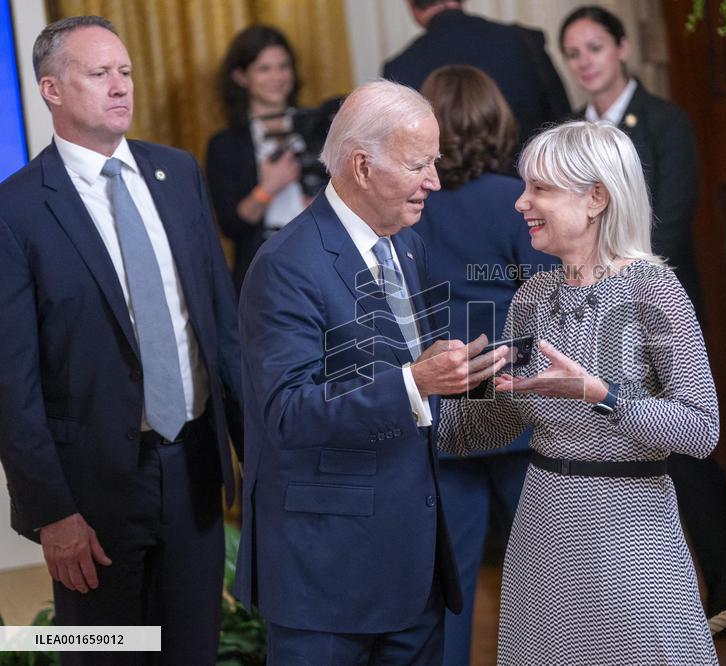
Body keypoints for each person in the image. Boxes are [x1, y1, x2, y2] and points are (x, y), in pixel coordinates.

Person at [234, 79, 509, 664]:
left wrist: (471, 380)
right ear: (361, 166)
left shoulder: (405, 245)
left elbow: (411, 376)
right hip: (328, 581)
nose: (434, 181)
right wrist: (416, 382)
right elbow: (286, 412)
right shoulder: (286, 265)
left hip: (412, 570)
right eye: (418, 165)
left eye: (434, 162)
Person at [0, 15, 243, 665]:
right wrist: (52, 514)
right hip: (91, 495)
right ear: (51, 89)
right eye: (99, 72)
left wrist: (255, 460)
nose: (119, 86)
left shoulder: (178, 173)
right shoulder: (16, 210)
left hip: (191, 470)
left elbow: (221, 331)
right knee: (108, 655)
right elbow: (11, 383)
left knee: (190, 650)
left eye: (126, 71)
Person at [438, 121, 720, 664]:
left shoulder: (653, 289)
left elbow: (701, 429)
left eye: (539, 188)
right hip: (543, 533)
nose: (521, 203)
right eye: (525, 187)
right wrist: (456, 385)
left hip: (630, 538)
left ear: (596, 197)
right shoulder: (532, 296)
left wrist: (601, 394)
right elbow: (490, 426)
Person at [559, 5, 726, 624]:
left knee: (684, 453)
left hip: (654, 307)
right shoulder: (568, 136)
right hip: (588, 310)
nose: (585, 61)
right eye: (573, 53)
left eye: (595, 47)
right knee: (618, 449)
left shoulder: (665, 121)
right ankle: (629, 611)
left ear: (622, 49)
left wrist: (617, 286)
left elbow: (667, 219)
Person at [416, 65, 556, 666]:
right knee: (549, 576)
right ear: (498, 122)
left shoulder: (411, 205)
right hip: (516, 397)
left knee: (451, 582)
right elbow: (551, 303)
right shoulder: (517, 201)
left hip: (443, 403)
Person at [206, 25, 337, 292]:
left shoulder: (319, 126)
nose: (277, 76)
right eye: (264, 68)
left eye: (283, 66)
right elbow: (230, 225)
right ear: (241, 76)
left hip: (325, 253)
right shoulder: (226, 144)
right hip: (265, 266)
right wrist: (268, 189)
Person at [383, 0, 571, 152]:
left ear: (411, 4)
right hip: (532, 185)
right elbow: (564, 121)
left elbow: (404, 152)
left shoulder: (400, 67)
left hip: (444, 193)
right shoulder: (521, 40)